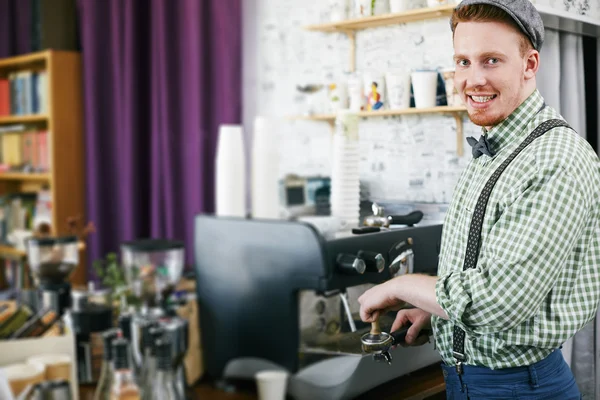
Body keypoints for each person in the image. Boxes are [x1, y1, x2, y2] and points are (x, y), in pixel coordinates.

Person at [358, 0, 600, 398]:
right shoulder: (498, 145)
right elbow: (485, 270)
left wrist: (399, 285)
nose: (472, 79)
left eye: (491, 60)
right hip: (471, 381)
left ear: (529, 64)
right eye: (463, 62)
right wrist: (433, 311)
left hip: (518, 388)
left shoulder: (554, 159)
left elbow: (497, 301)